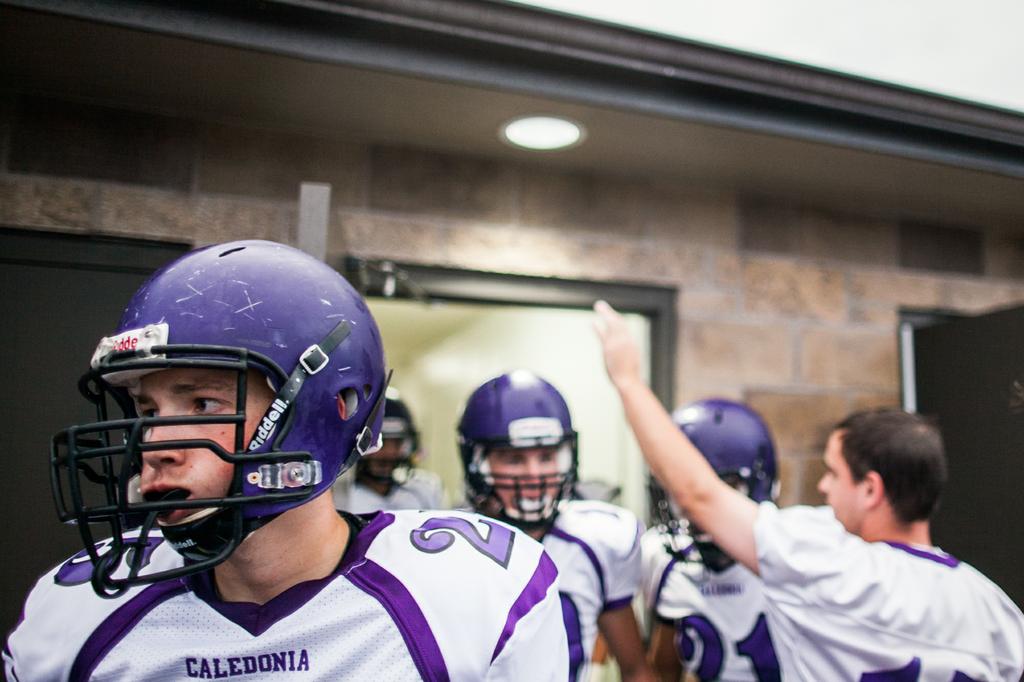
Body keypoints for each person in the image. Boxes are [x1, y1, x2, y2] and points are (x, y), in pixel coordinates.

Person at [4, 240, 567, 681]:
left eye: (203, 404)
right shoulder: (75, 615)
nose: (155, 444)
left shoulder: (472, 595)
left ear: (330, 406)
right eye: (148, 409)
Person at [593, 300, 1024, 681]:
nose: (822, 485)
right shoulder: (996, 609)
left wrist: (628, 380)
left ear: (871, 490)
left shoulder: (828, 564)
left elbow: (698, 494)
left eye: (833, 473)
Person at [457, 369, 655, 682]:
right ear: (477, 463)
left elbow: (636, 670)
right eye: (513, 459)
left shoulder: (597, 542)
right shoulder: (451, 546)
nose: (534, 474)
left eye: (547, 456)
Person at [642, 399, 780, 682]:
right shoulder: (665, 559)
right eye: (681, 490)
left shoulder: (790, 558)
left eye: (723, 489)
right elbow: (664, 669)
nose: (699, 507)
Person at [333, 390, 446, 513]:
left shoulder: (424, 490)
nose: (390, 452)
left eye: (397, 443)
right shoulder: (339, 497)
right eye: (381, 443)